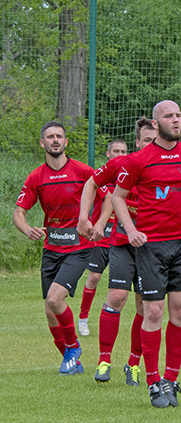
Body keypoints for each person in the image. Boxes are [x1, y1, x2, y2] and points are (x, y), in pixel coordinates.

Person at [111, 100, 181, 408]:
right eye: (169, 116)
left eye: (179, 115)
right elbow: (117, 197)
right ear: (156, 124)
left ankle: (171, 378)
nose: (176, 120)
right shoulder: (139, 160)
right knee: (153, 312)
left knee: (180, 314)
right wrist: (130, 231)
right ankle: (154, 382)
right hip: (150, 246)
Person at [13, 120, 109, 375]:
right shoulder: (36, 176)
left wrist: (98, 223)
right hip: (51, 247)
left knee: (56, 299)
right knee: (49, 309)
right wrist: (27, 229)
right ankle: (73, 362)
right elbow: (19, 213)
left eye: (59, 136)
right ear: (42, 143)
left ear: (66, 142)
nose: (55, 140)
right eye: (50, 136)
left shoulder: (83, 171)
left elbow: (109, 197)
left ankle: (73, 348)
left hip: (79, 247)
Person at [78, 117, 157, 385]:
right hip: (123, 241)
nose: (152, 145)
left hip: (153, 246)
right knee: (116, 297)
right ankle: (104, 360)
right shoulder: (124, 165)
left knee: (145, 306)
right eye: (147, 140)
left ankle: (133, 364)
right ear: (137, 143)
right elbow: (94, 184)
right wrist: (84, 218)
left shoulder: (168, 165)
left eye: (155, 140)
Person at [77, 139, 129, 337]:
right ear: (108, 154)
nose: (120, 155)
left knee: (123, 288)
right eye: (116, 151)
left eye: (123, 151)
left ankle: (113, 318)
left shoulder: (133, 174)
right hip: (103, 235)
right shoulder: (102, 178)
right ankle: (83, 318)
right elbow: (105, 197)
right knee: (94, 277)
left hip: (124, 237)